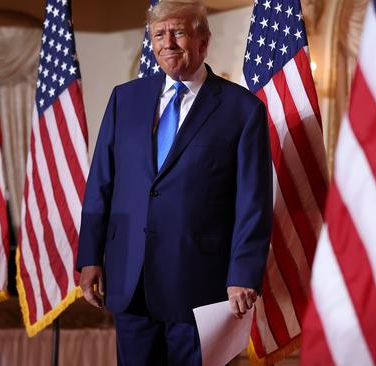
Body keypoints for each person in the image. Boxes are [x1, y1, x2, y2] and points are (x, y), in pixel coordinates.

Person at [75, 0, 273, 364]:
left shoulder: (242, 110)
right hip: (130, 279)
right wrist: (90, 256)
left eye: (179, 32)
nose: (168, 43)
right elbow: (101, 181)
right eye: (158, 34)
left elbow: (253, 201)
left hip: (200, 284)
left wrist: (243, 272)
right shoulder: (125, 99)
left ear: (203, 40)